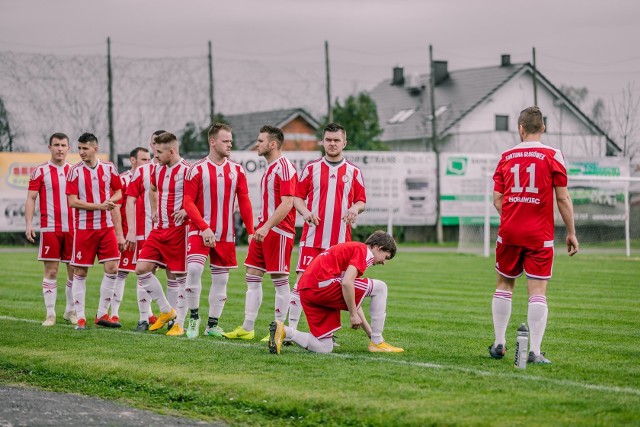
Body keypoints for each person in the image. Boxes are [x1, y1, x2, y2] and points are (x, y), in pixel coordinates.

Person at [489, 106, 579, 365]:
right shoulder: (553, 155)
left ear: (520, 128)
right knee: (537, 291)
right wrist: (571, 232)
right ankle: (535, 351)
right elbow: (562, 198)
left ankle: (499, 343)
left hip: (509, 231)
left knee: (504, 285)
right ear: (543, 128)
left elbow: (497, 199)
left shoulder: (505, 156)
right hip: (539, 234)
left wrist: (512, 218)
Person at [287, 122, 366, 338]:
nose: (332, 144)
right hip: (313, 238)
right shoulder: (311, 168)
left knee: (334, 287)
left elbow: (361, 201)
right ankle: (289, 330)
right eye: (328, 140)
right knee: (302, 283)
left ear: (344, 143)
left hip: (339, 243)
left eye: (336, 140)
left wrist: (354, 208)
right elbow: (297, 198)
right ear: (322, 142)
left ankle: (328, 334)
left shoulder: (353, 171)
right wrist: (305, 212)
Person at [268, 231, 404, 354]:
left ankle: (284, 331)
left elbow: (350, 294)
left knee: (325, 347)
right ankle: (378, 342)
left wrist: (368, 331)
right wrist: (352, 314)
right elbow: (347, 283)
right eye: (385, 257)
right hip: (321, 285)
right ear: (378, 248)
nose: (383, 262)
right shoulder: (364, 251)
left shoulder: (352, 249)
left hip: (307, 291)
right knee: (380, 288)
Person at [223, 125, 297, 341]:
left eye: (261, 141)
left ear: (273, 144)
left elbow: (287, 204)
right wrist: (260, 227)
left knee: (280, 280)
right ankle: (247, 327)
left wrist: (266, 227)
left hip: (279, 231)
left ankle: (280, 329)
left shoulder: (285, 168)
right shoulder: (270, 167)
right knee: (252, 276)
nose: (257, 144)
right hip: (264, 229)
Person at [182, 123, 255, 338]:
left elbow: (244, 202)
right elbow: (188, 202)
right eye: (226, 140)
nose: (230, 144)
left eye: (231, 141)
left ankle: (212, 325)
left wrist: (251, 231)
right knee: (194, 270)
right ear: (212, 142)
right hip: (199, 230)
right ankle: (194, 319)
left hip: (225, 234)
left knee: (221, 280)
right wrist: (204, 227)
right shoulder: (197, 169)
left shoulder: (237, 170)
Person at [134, 131, 191, 336]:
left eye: (158, 152)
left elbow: (198, 197)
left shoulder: (187, 171)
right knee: (141, 268)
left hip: (179, 231)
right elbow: (152, 189)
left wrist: (186, 210)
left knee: (180, 278)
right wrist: (155, 208)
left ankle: (181, 324)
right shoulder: (157, 170)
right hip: (159, 230)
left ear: (172, 151)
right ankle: (167, 311)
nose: (155, 156)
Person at [65, 133, 123, 330]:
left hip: (106, 228)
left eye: (85, 148)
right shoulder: (74, 172)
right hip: (84, 229)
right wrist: (99, 205)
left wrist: (110, 202)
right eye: (79, 148)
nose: (81, 152)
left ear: (95, 148)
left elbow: (119, 191)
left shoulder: (109, 167)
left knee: (113, 268)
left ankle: (101, 314)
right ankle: (80, 317)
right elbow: (72, 201)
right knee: (80, 271)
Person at [25, 133, 76, 326]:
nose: (60, 149)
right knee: (52, 271)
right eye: (56, 145)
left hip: (73, 228)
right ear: (50, 147)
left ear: (69, 148)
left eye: (63, 145)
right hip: (50, 228)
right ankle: (50, 314)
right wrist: (29, 223)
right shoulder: (40, 171)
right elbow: (31, 198)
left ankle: (70, 311)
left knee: (73, 271)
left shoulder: (75, 171)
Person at [124, 131, 166, 330]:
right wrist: (131, 230)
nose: (158, 146)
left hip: (172, 231)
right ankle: (143, 318)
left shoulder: (180, 169)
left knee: (175, 275)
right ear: (151, 144)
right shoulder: (143, 171)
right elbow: (129, 200)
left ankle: (174, 318)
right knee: (144, 272)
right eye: (155, 142)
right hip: (147, 232)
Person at [108, 147, 151, 324]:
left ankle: (148, 315)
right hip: (128, 236)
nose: (147, 163)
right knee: (122, 273)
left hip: (146, 234)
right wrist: (121, 234)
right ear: (133, 160)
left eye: (149, 160)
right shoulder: (124, 180)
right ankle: (114, 313)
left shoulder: (150, 178)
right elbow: (115, 207)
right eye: (143, 160)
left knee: (146, 274)